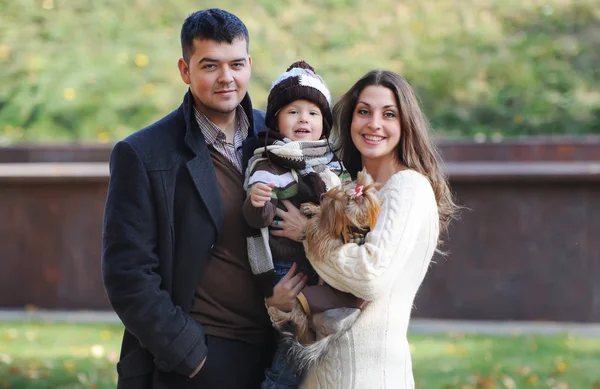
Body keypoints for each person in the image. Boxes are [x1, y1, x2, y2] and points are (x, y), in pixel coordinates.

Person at [101, 9, 305, 389]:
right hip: (197, 362)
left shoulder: (277, 138)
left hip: (276, 356)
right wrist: (189, 355)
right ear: (185, 70)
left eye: (237, 64)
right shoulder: (144, 154)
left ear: (250, 65)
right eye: (210, 66)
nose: (227, 78)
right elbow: (127, 273)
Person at [270, 69, 459, 388]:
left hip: (369, 377)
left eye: (389, 114)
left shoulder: (407, 186)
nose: (374, 124)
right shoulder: (344, 189)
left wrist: (309, 233)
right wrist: (280, 302)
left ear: (406, 124)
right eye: (363, 112)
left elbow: (369, 277)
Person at [241, 60, 362, 389]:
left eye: (312, 113)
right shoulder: (270, 160)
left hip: (322, 263)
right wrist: (258, 204)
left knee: (320, 354)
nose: (303, 120)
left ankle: (325, 319)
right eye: (292, 112)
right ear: (277, 119)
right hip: (287, 265)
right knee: (295, 351)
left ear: (323, 123)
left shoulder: (332, 163)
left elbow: (344, 210)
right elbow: (257, 219)